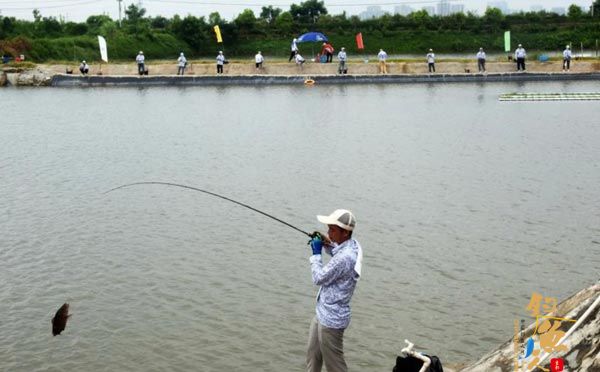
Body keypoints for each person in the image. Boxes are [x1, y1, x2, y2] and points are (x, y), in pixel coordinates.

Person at [306, 209, 362, 372]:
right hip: (322, 311)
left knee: (335, 366)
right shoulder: (350, 244)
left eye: (332, 230)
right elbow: (337, 250)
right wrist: (326, 242)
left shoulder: (346, 257)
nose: (329, 232)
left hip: (331, 320)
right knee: (312, 357)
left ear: (345, 232)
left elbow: (318, 278)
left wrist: (316, 253)